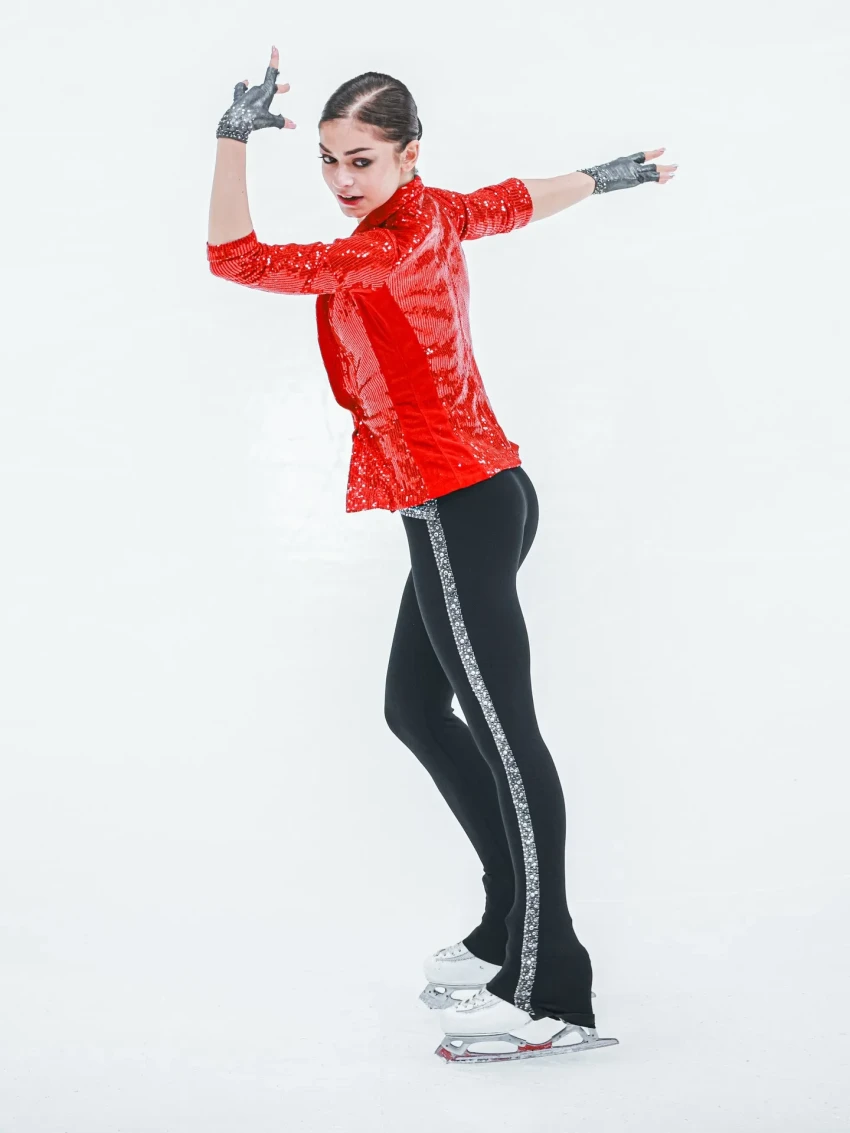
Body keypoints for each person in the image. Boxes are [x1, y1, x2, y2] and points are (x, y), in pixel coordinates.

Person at [207, 46, 677, 1065]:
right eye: (329, 159)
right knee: (414, 708)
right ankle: (506, 922)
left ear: (408, 155)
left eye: (362, 160)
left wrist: (230, 138)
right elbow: (514, 201)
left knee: (508, 739)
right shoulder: (432, 213)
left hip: (460, 504)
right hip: (474, 499)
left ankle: (552, 987)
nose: (341, 180)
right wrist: (604, 176)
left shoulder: (380, 247)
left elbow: (234, 258)